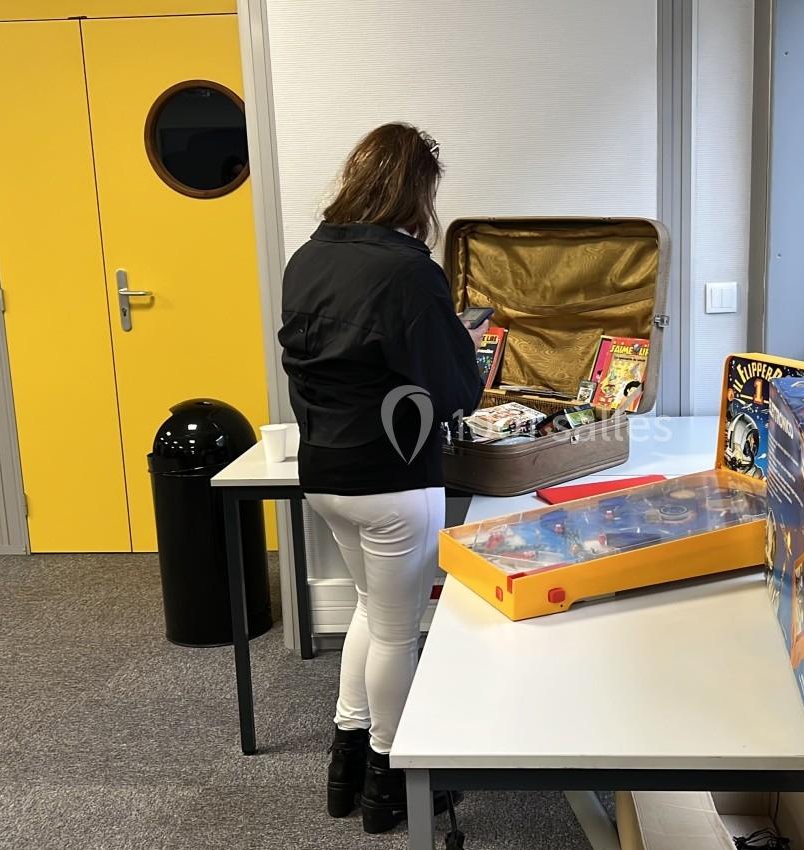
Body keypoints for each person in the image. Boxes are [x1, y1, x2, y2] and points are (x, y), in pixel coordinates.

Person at [279, 123, 485, 834]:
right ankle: (392, 784)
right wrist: (471, 346)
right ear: (416, 189)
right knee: (399, 632)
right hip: (395, 482)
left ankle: (346, 762)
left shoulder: (307, 258)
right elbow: (457, 392)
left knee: (371, 611)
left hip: (325, 474)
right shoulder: (407, 271)